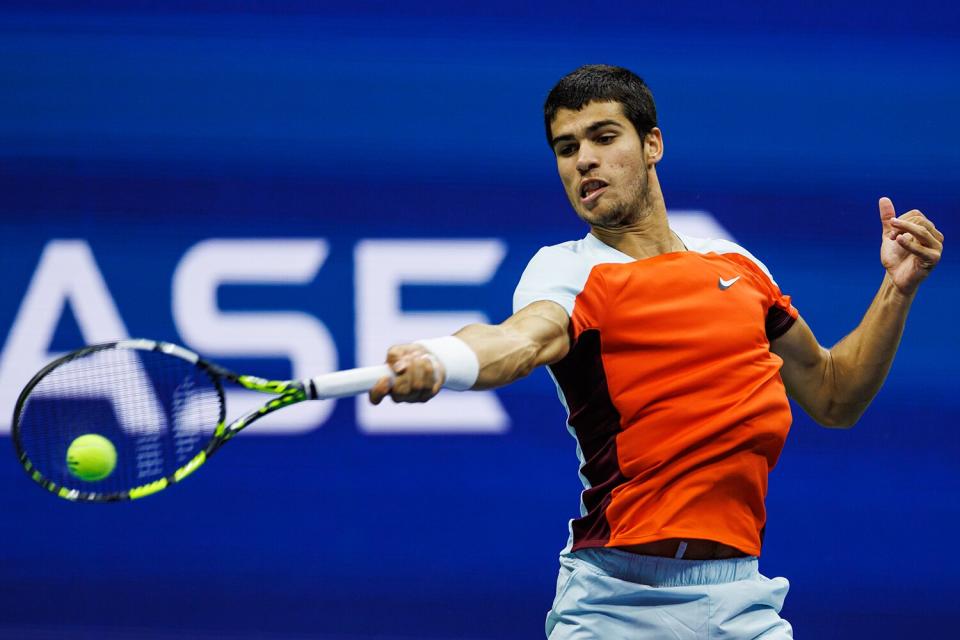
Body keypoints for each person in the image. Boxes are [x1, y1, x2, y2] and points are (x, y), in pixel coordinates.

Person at [368, 65, 944, 639]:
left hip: (740, 599)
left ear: (652, 145)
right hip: (614, 604)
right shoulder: (566, 271)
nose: (583, 161)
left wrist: (898, 287)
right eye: (566, 149)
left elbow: (835, 395)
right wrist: (443, 359)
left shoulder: (739, 268)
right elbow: (519, 339)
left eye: (603, 137)